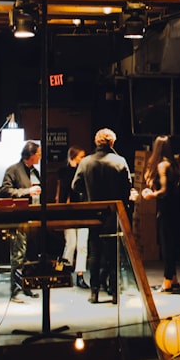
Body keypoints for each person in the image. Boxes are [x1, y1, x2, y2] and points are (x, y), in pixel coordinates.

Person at [71, 128, 135, 304]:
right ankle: (114, 293)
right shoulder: (120, 161)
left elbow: (75, 186)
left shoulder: (85, 162)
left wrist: (88, 195)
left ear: (96, 142)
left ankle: (94, 292)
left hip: (93, 214)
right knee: (113, 254)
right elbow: (127, 187)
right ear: (112, 143)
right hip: (114, 214)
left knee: (95, 253)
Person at [140, 135, 180, 293]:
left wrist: (151, 194)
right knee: (170, 243)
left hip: (166, 208)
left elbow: (164, 191)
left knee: (166, 244)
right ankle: (173, 279)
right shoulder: (171, 163)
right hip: (175, 207)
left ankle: (167, 282)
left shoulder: (162, 165)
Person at [0, 140, 42, 300]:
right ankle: (14, 290)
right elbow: (6, 190)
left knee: (31, 254)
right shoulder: (13, 170)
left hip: (34, 217)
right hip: (19, 218)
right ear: (30, 155)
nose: (39, 157)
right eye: (38, 154)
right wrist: (27, 191)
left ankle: (27, 286)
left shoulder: (35, 171)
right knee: (18, 254)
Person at [56, 145, 88, 289]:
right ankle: (65, 271)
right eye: (81, 157)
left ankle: (79, 274)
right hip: (68, 212)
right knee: (71, 243)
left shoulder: (85, 171)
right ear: (73, 157)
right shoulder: (64, 172)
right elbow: (63, 193)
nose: (83, 159)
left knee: (82, 245)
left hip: (82, 211)